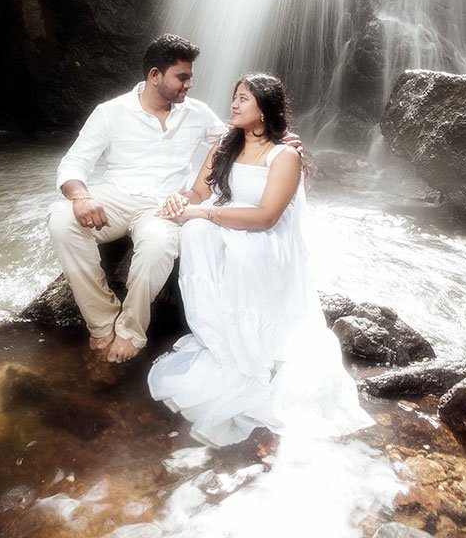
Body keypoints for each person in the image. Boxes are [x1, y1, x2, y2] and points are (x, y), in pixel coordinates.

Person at [147, 73, 372, 447]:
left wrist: (203, 212)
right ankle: (220, 338)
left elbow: (267, 217)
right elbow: (199, 191)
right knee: (195, 232)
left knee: (240, 246)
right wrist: (180, 201)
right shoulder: (224, 145)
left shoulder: (284, 155)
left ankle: (254, 348)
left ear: (265, 110)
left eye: (244, 99)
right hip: (223, 221)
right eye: (234, 97)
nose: (234, 105)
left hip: (263, 236)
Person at [48, 34, 227, 363]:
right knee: (61, 221)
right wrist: (81, 197)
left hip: (165, 205)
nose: (189, 85)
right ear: (155, 75)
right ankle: (102, 323)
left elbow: (235, 140)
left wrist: (279, 135)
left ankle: (131, 330)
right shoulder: (110, 112)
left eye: (190, 77)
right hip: (116, 196)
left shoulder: (198, 113)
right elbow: (73, 163)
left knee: (158, 245)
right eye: (182, 77)